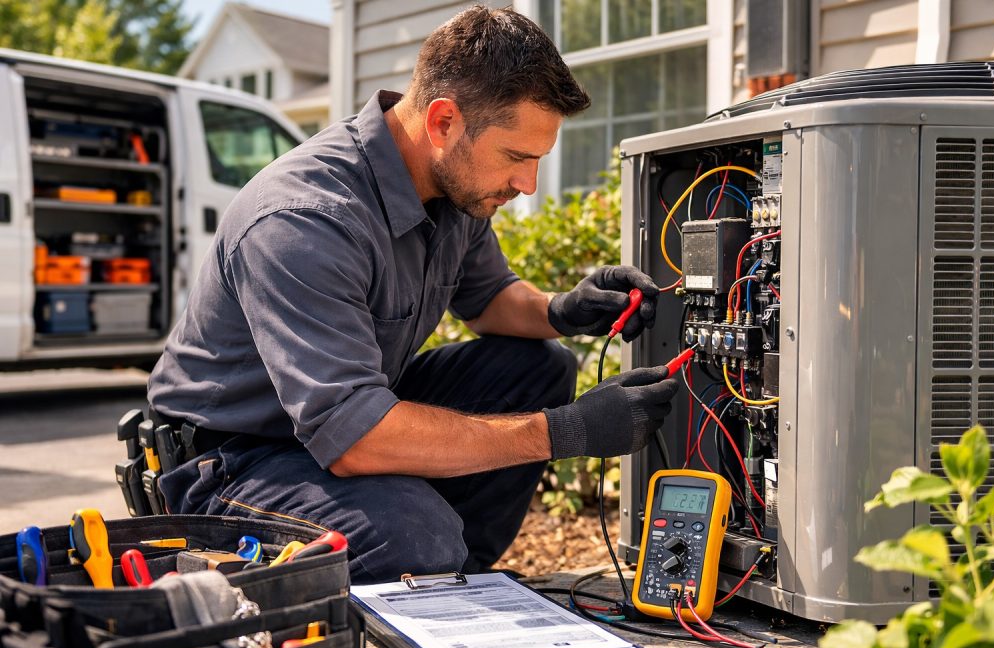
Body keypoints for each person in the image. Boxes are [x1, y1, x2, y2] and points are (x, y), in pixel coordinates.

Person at [148, 5, 680, 582]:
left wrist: (562, 310)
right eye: (517, 158)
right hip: (230, 462)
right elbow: (355, 436)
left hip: (342, 420)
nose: (527, 186)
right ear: (444, 122)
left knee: (536, 368)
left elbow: (488, 298)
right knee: (413, 537)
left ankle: (448, 580)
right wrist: (568, 431)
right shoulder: (304, 220)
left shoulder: (455, 189)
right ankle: (422, 569)